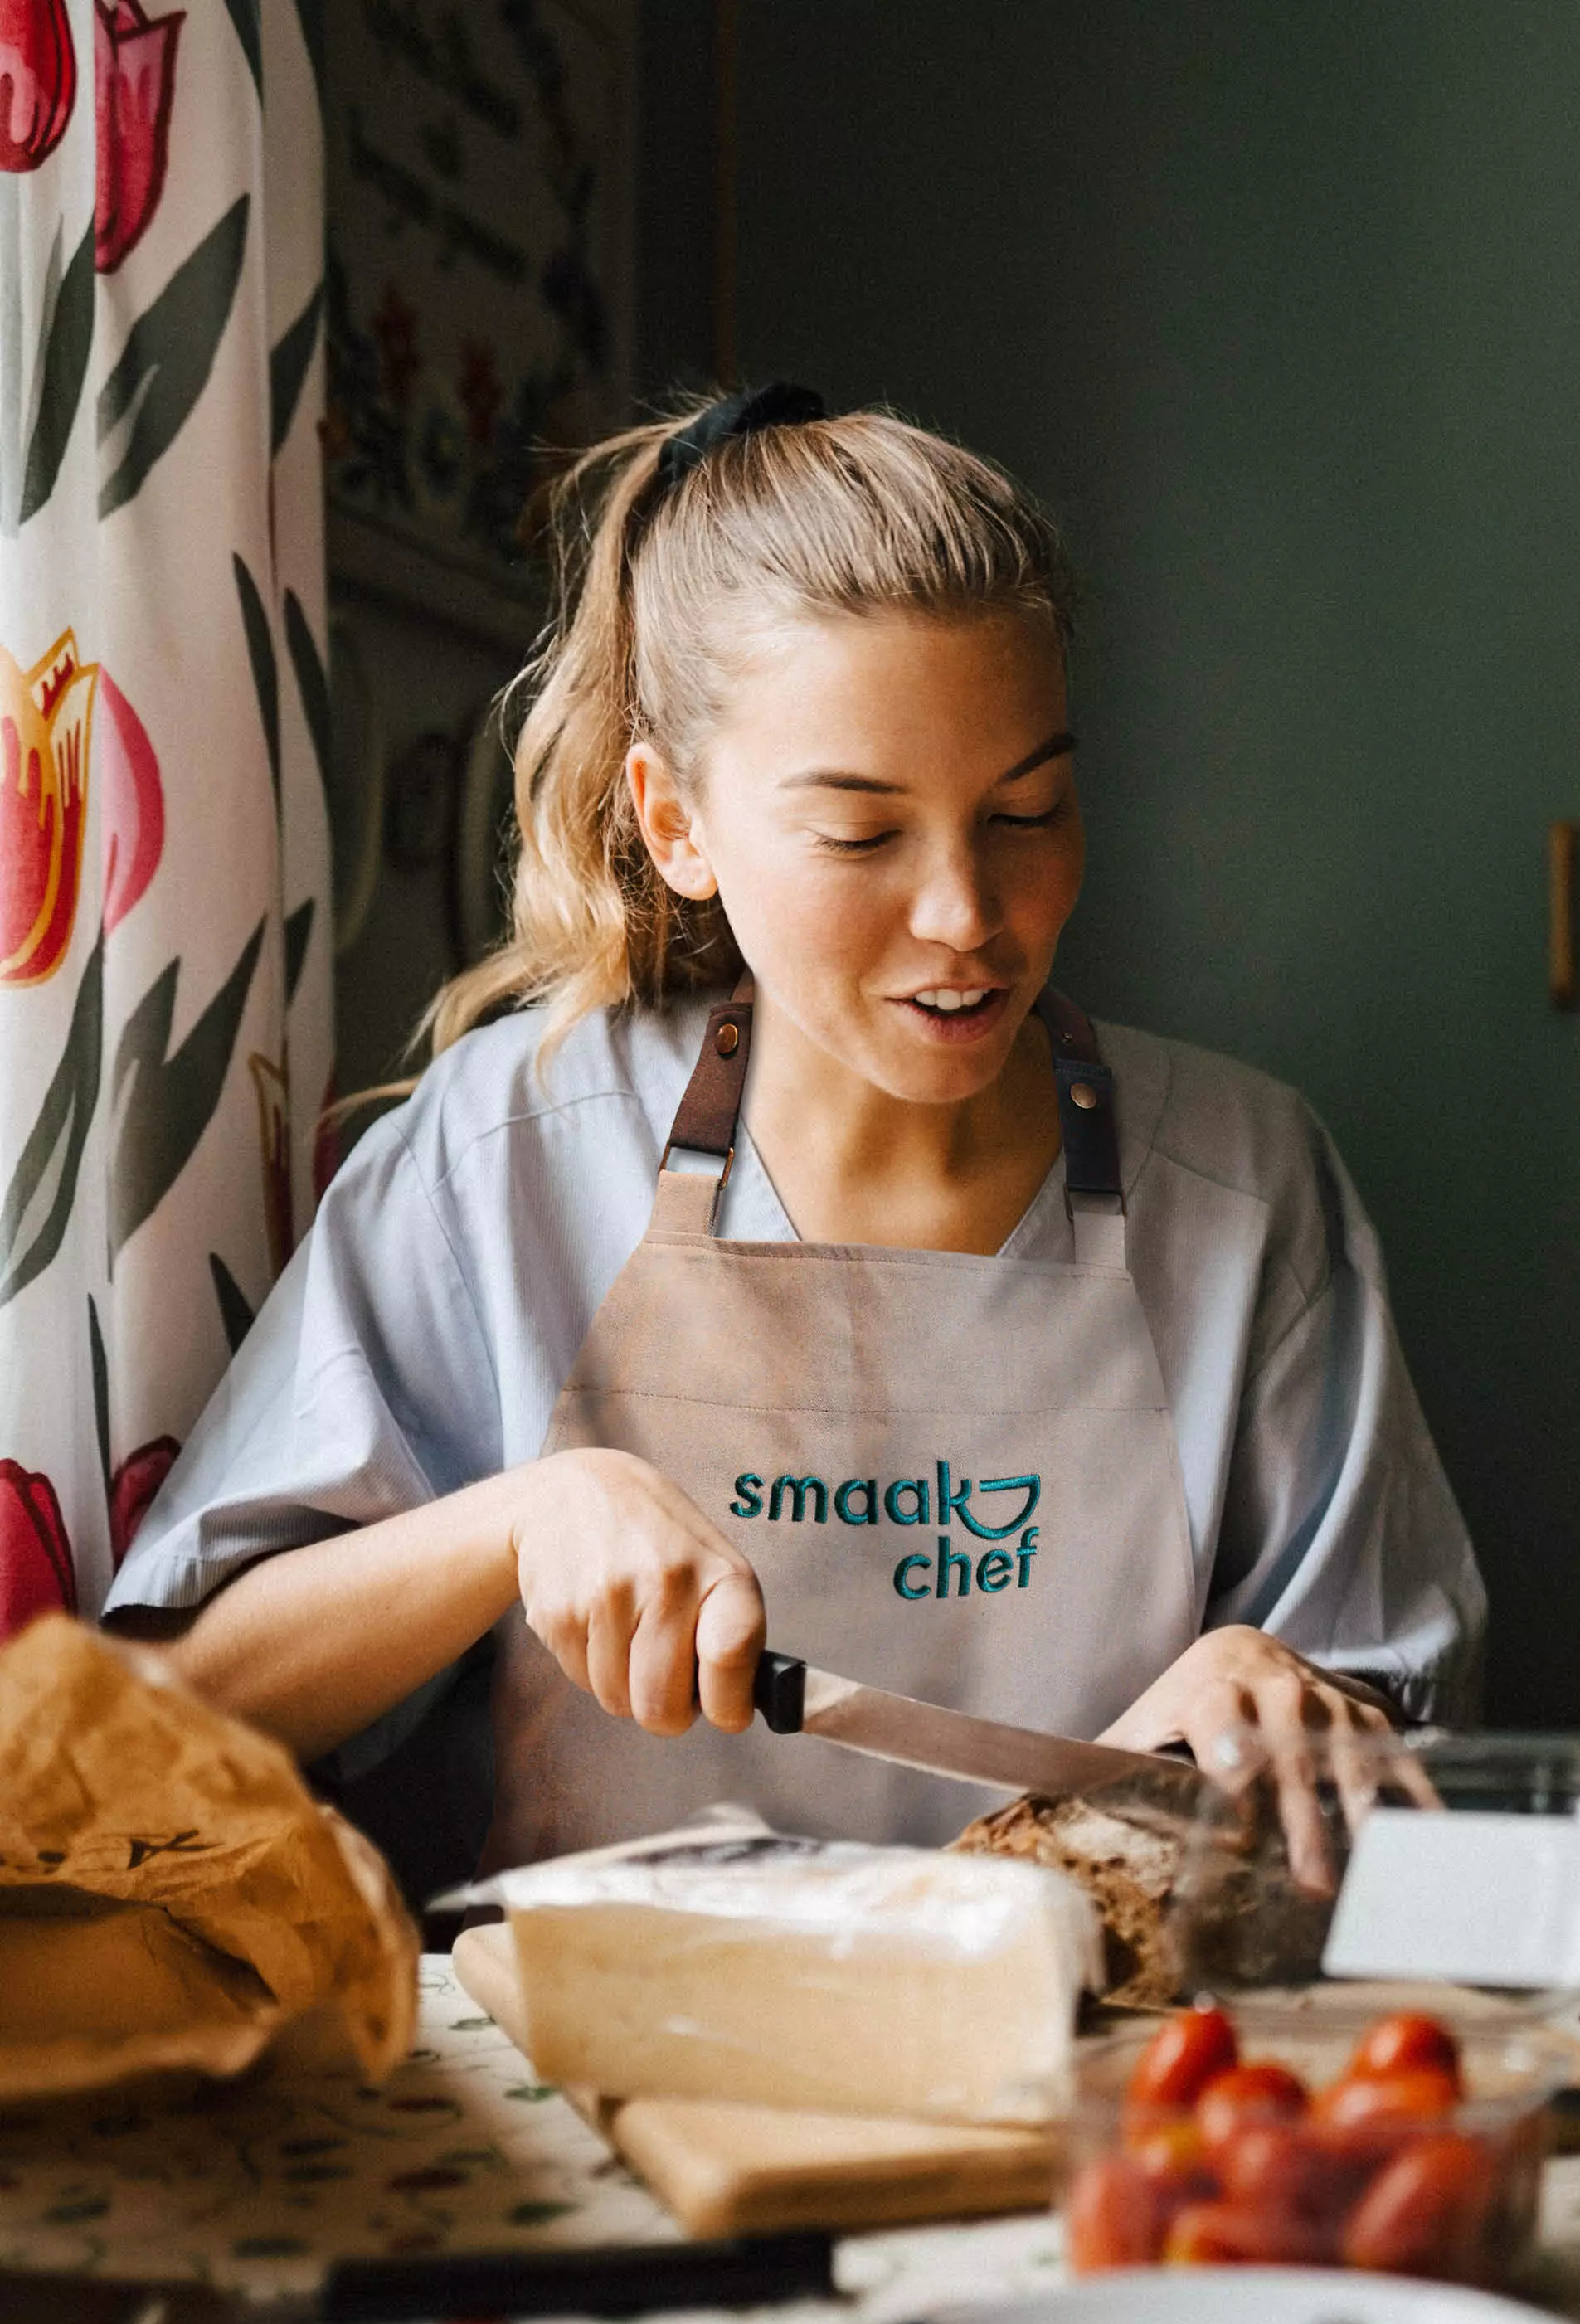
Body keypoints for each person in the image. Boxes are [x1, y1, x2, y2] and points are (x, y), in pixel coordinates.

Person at [105, 388, 1480, 1891]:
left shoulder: (1246, 1183)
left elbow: (1389, 1790)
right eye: (861, 834)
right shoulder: (507, 1148)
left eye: (1027, 811)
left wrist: (1280, 1698)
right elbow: (158, 1722)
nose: (966, 913)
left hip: (1077, 2058)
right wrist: (517, 1519)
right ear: (677, 822)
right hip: (597, 2065)